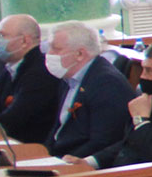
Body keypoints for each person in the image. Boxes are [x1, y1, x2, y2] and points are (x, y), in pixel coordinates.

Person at [87, 38, 152, 168]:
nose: (142, 76)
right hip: (119, 169)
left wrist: (141, 121)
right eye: (143, 69)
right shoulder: (150, 97)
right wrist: (91, 161)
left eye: (150, 71)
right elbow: (128, 143)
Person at [44, 22, 131, 161]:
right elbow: (59, 128)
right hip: (58, 156)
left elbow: (103, 141)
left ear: (80, 54)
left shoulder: (107, 83)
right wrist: (44, 154)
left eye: (56, 49)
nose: (49, 54)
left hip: (80, 162)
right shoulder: (68, 77)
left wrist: (64, 162)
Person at [0, 15, 57, 145]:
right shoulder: (10, 68)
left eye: (2, 36)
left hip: (31, 147)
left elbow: (13, 119)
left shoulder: (40, 72)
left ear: (24, 41)